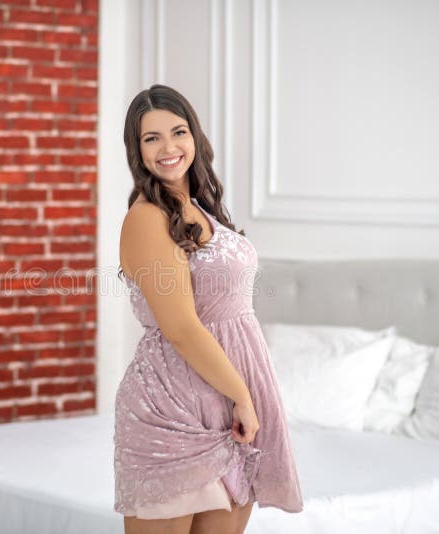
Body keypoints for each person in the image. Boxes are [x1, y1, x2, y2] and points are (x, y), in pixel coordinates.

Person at [113, 84, 304, 534]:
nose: (167, 147)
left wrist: (244, 397)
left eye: (177, 132)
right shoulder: (147, 218)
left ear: (194, 136)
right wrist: (243, 395)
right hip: (175, 407)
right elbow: (180, 327)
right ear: (136, 152)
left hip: (229, 396)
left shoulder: (198, 207)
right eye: (151, 138)